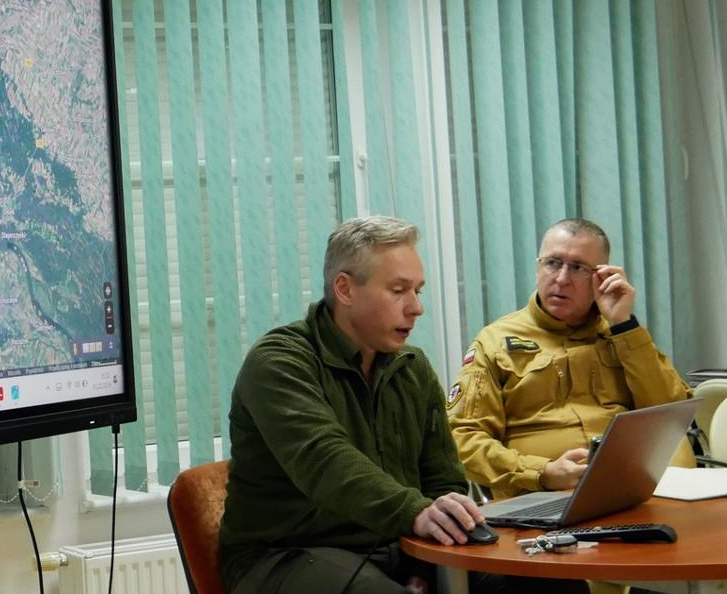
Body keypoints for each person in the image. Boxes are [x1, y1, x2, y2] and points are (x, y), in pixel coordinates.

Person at [218, 215, 489, 593]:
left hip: (398, 546)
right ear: (344, 289)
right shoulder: (279, 361)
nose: (416, 308)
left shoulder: (411, 367)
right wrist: (414, 513)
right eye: (398, 290)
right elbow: (326, 462)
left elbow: (441, 480)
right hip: (286, 556)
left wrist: (426, 564)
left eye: (418, 291)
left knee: (536, 583)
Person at [447, 218, 692, 503]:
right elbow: (464, 438)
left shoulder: (622, 334)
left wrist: (623, 325)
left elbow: (672, 414)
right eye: (553, 263)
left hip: (636, 492)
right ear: (538, 267)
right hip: (540, 497)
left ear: (601, 277)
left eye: (577, 268)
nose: (562, 279)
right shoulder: (494, 341)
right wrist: (542, 472)